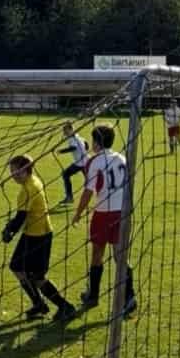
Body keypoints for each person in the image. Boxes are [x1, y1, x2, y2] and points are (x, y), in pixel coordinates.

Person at [71, 124, 137, 318]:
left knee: (97, 253)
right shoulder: (122, 158)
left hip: (104, 213)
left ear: (96, 142)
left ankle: (93, 295)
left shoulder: (94, 161)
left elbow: (88, 191)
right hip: (123, 211)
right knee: (119, 256)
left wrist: (78, 213)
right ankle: (129, 297)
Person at [2, 155, 77, 322]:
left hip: (37, 236)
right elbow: (22, 216)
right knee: (20, 268)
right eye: (11, 171)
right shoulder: (34, 180)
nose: (12, 175)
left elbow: (21, 217)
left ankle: (64, 306)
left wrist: (9, 230)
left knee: (34, 275)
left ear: (26, 170)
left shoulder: (27, 190)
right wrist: (11, 227)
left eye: (15, 172)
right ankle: (39, 304)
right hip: (36, 233)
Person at [56, 122, 88, 206]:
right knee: (90, 181)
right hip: (86, 161)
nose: (64, 132)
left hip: (80, 163)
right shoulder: (78, 136)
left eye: (65, 130)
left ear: (71, 129)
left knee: (65, 174)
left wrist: (61, 151)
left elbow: (74, 147)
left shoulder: (72, 138)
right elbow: (86, 144)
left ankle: (69, 197)